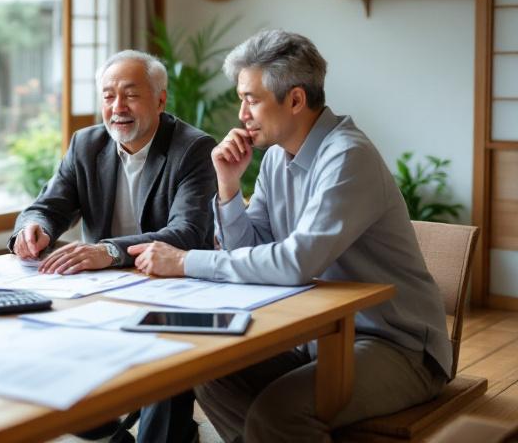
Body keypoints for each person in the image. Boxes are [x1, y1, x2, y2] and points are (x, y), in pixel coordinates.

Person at [128, 29, 451, 442]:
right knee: (207, 372)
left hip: (396, 346)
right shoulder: (278, 158)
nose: (241, 113)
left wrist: (183, 261)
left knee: (277, 414)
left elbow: (295, 263)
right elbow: (253, 252)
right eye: (241, 98)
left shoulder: (348, 157)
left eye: (251, 99)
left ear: (295, 100)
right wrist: (227, 187)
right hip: (319, 336)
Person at [10, 50, 217, 443]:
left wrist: (108, 251)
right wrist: (33, 227)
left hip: (172, 287)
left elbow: (189, 231)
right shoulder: (86, 144)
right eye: (107, 96)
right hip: (102, 290)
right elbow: (48, 205)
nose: (117, 107)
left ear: (160, 100)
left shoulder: (192, 148)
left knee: (164, 362)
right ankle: (104, 426)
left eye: (130, 95)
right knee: (39, 335)